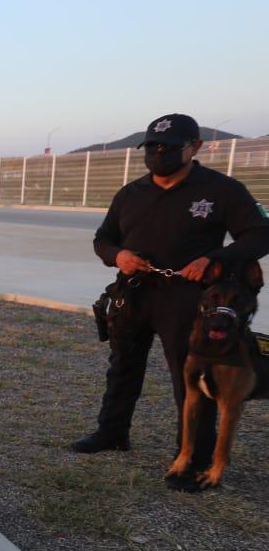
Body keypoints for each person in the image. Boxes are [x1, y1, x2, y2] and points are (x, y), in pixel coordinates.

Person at [71, 114, 269, 480]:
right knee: (123, 367)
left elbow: (260, 234)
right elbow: (103, 239)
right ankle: (112, 433)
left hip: (189, 301)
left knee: (190, 377)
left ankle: (193, 455)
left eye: (170, 148)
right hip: (134, 294)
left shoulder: (222, 190)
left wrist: (216, 258)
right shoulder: (131, 194)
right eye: (153, 148)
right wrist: (117, 256)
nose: (159, 154)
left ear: (194, 147)